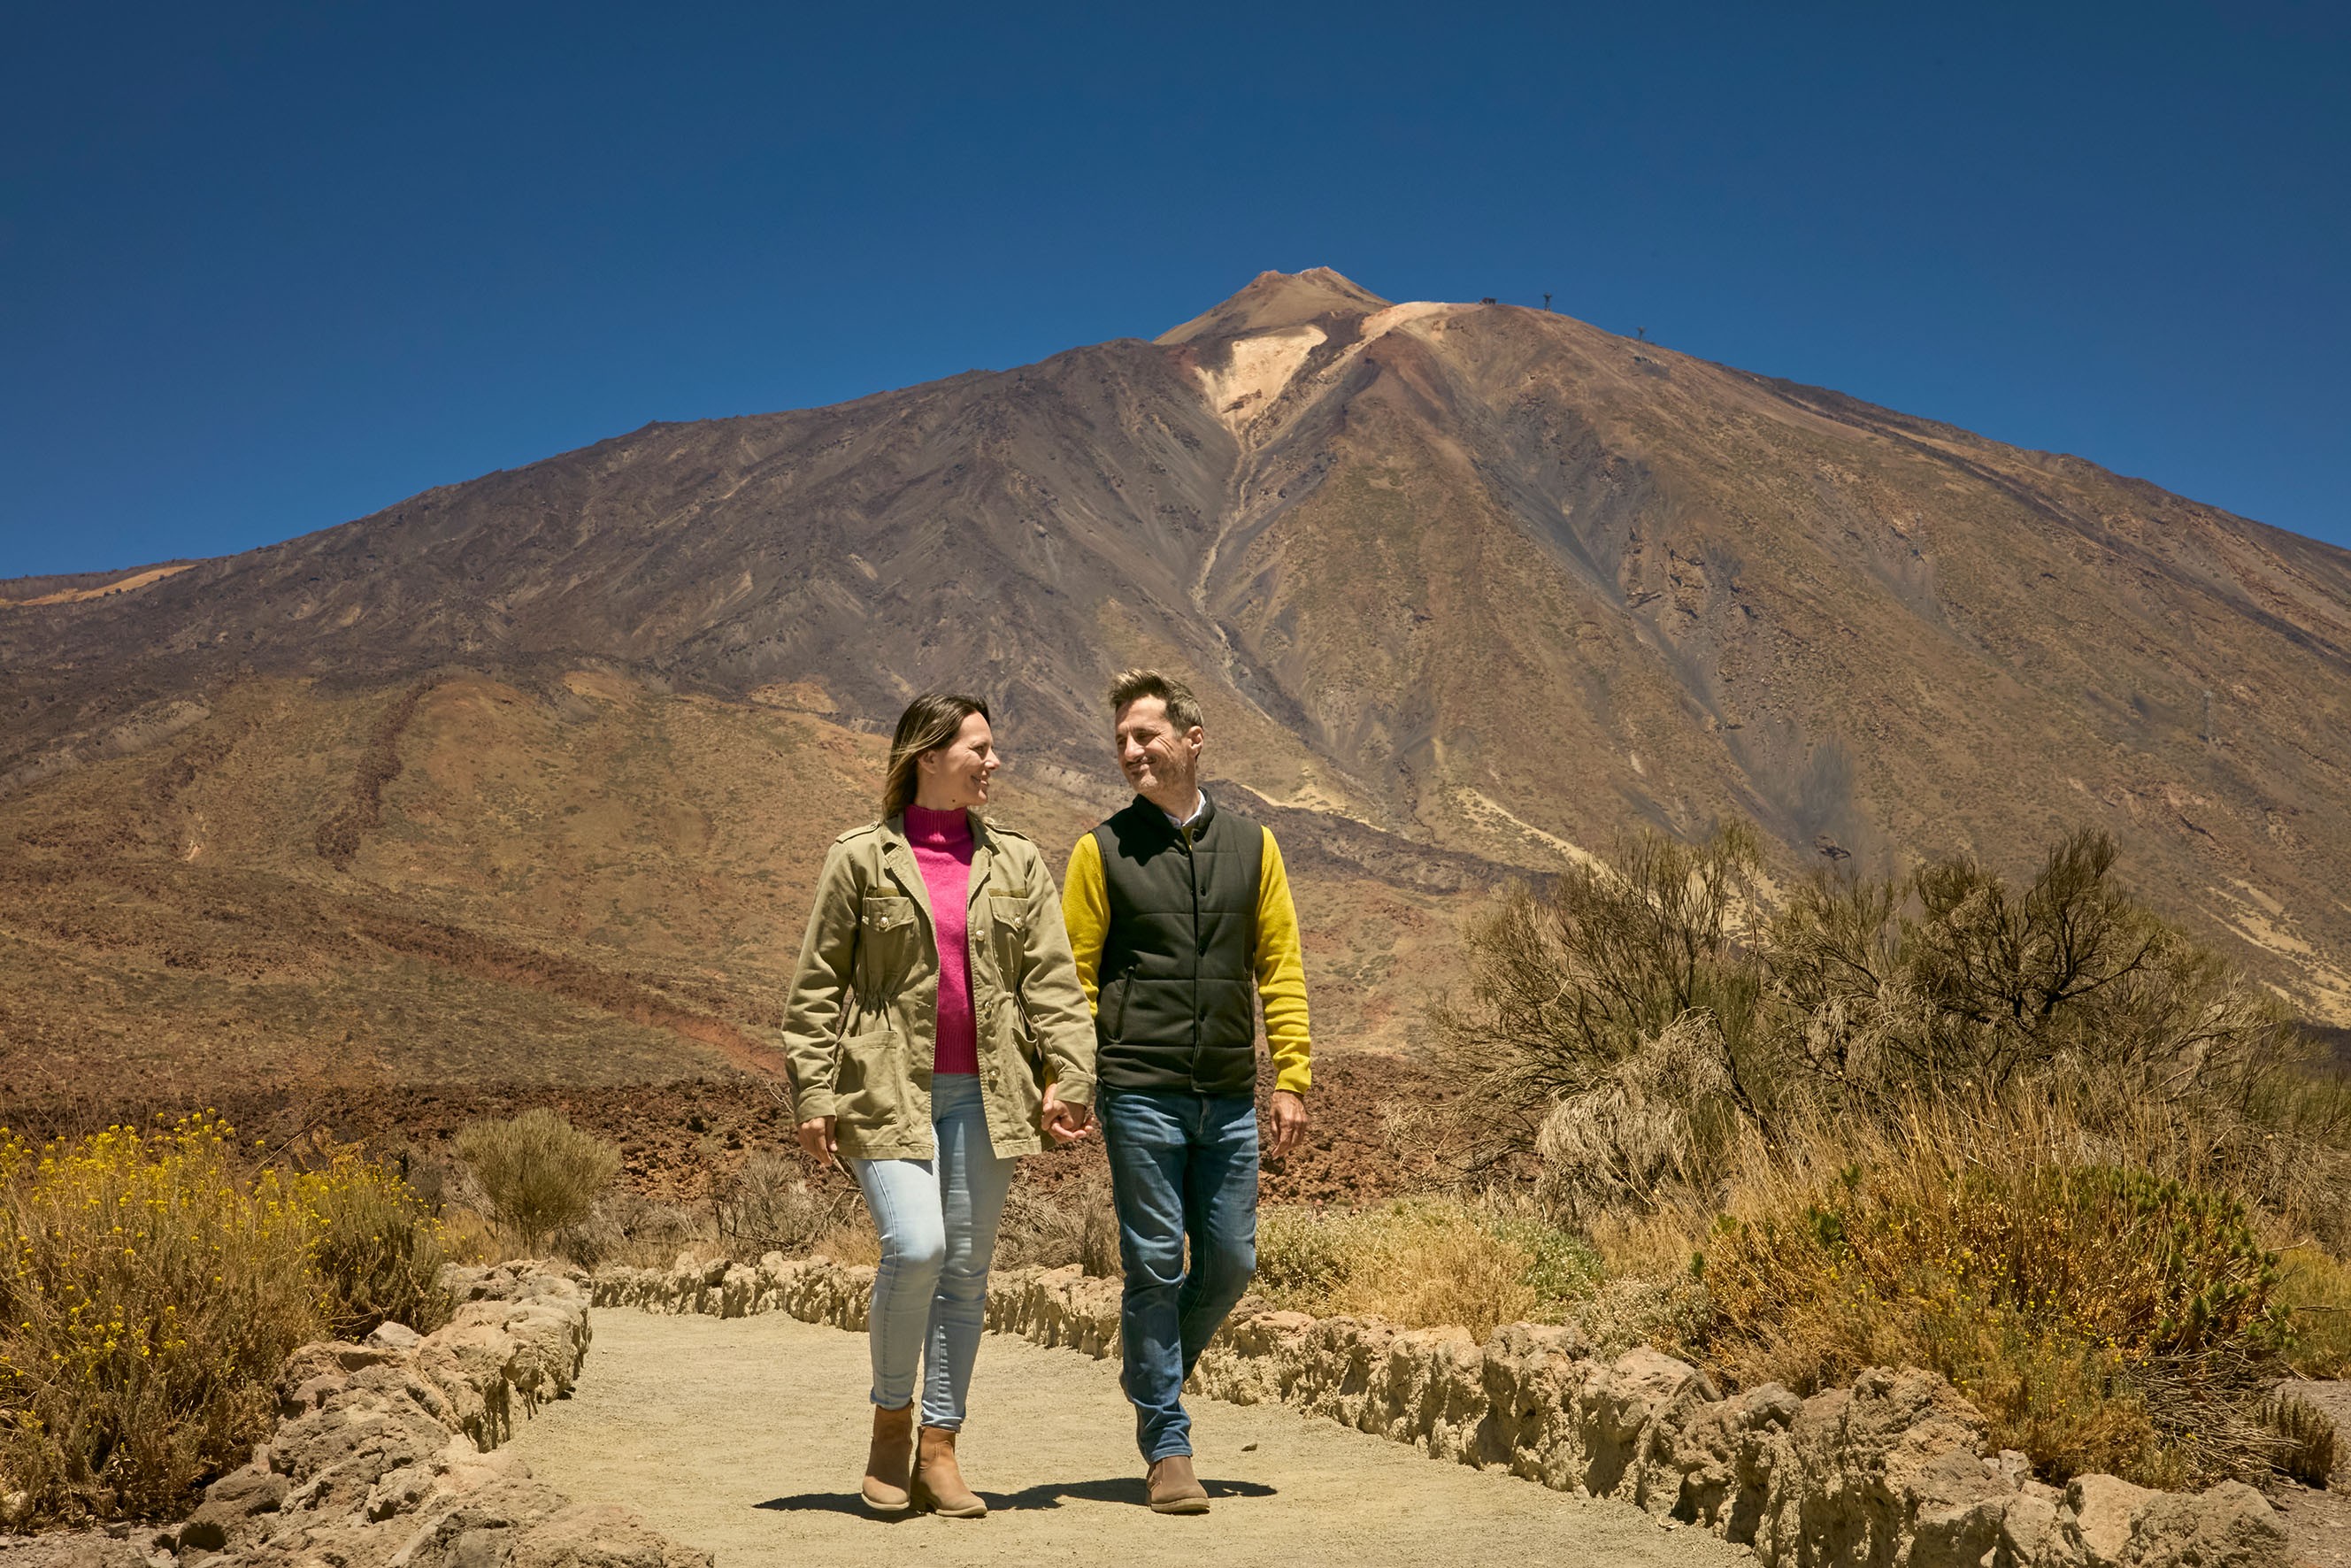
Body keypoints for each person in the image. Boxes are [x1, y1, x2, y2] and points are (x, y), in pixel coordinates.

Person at [780, 693, 1097, 1518]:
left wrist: (1070, 1073)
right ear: (929, 755)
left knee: (964, 1269)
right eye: (979, 749)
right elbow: (817, 984)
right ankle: (891, 1425)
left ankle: (941, 1446)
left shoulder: (1017, 861)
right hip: (884, 1089)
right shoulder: (860, 859)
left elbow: (1054, 983)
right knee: (916, 1246)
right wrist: (814, 1090)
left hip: (988, 1095)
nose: (994, 763)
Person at [1060, 668, 1311, 1514]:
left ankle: (1146, 1366)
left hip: (1228, 1095)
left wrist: (1291, 1078)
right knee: (1157, 1263)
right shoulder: (1101, 850)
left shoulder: (1255, 846)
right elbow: (1075, 980)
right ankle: (1167, 1442)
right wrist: (1073, 1075)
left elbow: (1278, 965)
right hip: (1139, 1089)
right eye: (1122, 740)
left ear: (1193, 741)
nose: (1130, 751)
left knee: (1233, 1262)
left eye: (1146, 736)